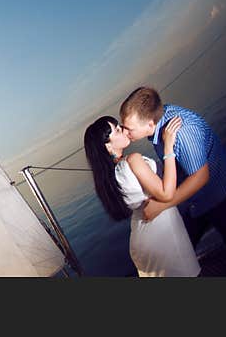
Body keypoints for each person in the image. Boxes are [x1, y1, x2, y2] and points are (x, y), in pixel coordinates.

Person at [119, 87, 226, 275]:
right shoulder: (157, 121)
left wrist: (161, 205)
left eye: (129, 129)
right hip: (194, 201)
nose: (124, 132)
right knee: (181, 248)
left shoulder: (183, 132)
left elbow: (201, 176)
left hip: (222, 194)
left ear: (150, 124)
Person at [84, 114, 200, 276]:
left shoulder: (109, 177)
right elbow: (166, 194)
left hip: (141, 237)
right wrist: (168, 146)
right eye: (117, 130)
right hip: (162, 233)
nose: (123, 131)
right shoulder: (133, 160)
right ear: (108, 146)